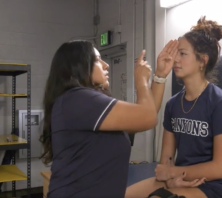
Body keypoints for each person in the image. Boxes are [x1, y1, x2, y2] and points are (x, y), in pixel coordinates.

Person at [39, 39, 178, 198]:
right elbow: (147, 117)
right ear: (78, 66)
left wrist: (160, 75)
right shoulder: (78, 99)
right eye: (98, 60)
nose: (106, 65)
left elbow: (144, 117)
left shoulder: (79, 102)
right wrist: (141, 81)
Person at [125, 16, 222, 198]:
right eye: (176, 52)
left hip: (212, 187)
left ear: (202, 61)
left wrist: (174, 173)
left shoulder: (220, 103)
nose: (175, 59)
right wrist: (171, 180)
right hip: (177, 178)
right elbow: (166, 160)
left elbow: (220, 168)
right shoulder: (173, 104)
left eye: (183, 53)